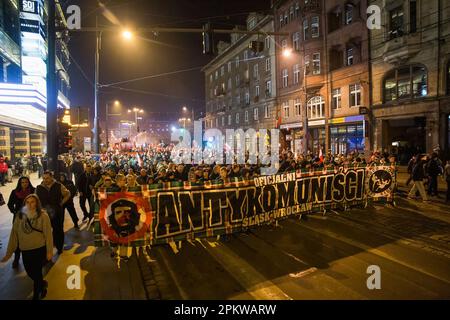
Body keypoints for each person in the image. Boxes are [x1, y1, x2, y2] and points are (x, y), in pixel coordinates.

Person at [1, 194, 53, 300]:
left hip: (39, 248)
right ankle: (42, 285)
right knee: (30, 272)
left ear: (37, 203)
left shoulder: (43, 215)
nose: (30, 204)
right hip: (25, 249)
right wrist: (9, 253)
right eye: (27, 202)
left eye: (32, 202)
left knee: (37, 272)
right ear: (24, 203)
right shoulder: (20, 216)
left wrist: (49, 251)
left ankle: (36, 294)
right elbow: (14, 234)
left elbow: (48, 235)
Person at [36, 171, 70, 254]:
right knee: (44, 231)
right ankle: (46, 250)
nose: (45, 180)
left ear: (51, 177)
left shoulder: (58, 185)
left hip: (57, 212)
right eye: (44, 178)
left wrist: (61, 203)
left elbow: (67, 193)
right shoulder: (39, 187)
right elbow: (36, 198)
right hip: (44, 213)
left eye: (47, 178)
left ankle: (59, 247)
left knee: (58, 230)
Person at [7, 176, 36, 268]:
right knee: (18, 239)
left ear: (29, 183)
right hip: (18, 218)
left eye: (26, 182)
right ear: (20, 183)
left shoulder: (33, 191)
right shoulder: (15, 192)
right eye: (22, 182)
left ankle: (32, 258)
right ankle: (16, 258)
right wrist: (15, 212)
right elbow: (10, 204)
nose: (24, 184)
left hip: (31, 217)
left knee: (31, 237)